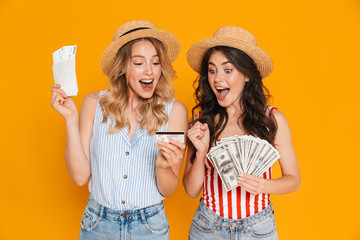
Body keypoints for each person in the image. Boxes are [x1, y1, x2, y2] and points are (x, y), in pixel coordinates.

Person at [51, 20, 188, 240]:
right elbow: (79, 177)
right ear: (123, 66)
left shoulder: (175, 112)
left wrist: (163, 167)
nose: (149, 71)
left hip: (150, 227)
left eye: (155, 62)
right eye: (139, 63)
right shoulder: (94, 103)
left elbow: (168, 190)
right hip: (98, 225)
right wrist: (70, 118)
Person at [183, 26, 300, 239]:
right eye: (212, 70)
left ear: (247, 75)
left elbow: (293, 179)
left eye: (228, 70)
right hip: (207, 227)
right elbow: (191, 191)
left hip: (258, 228)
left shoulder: (272, 121)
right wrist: (201, 153)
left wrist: (265, 185)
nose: (217, 78)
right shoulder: (201, 122)